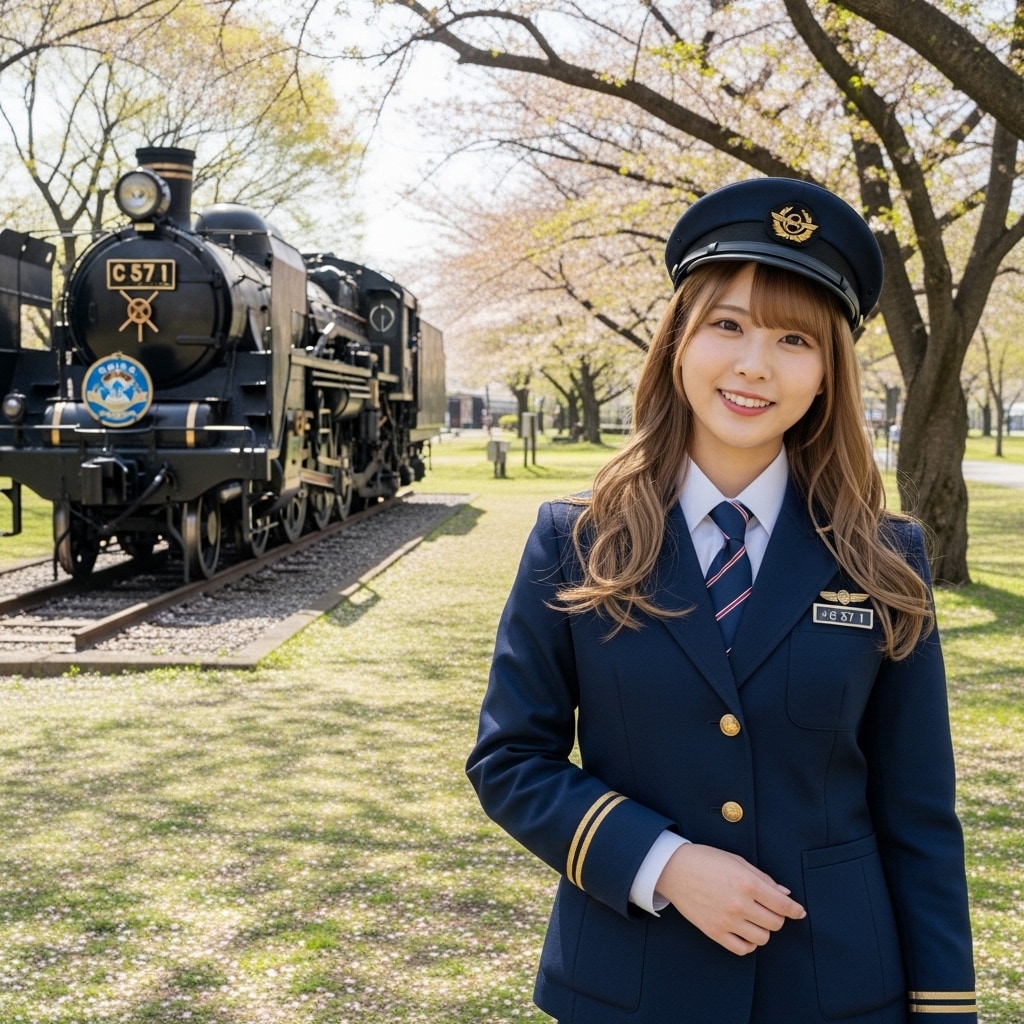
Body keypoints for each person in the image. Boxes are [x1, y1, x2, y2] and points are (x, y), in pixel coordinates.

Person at [466, 178, 977, 1024]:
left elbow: (919, 815)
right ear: (678, 342)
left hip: (839, 991)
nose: (754, 365)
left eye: (793, 339)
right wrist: (661, 862)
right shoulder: (577, 542)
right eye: (727, 326)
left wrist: (948, 1010)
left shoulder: (887, 560)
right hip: (630, 987)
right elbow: (511, 761)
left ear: (826, 374)